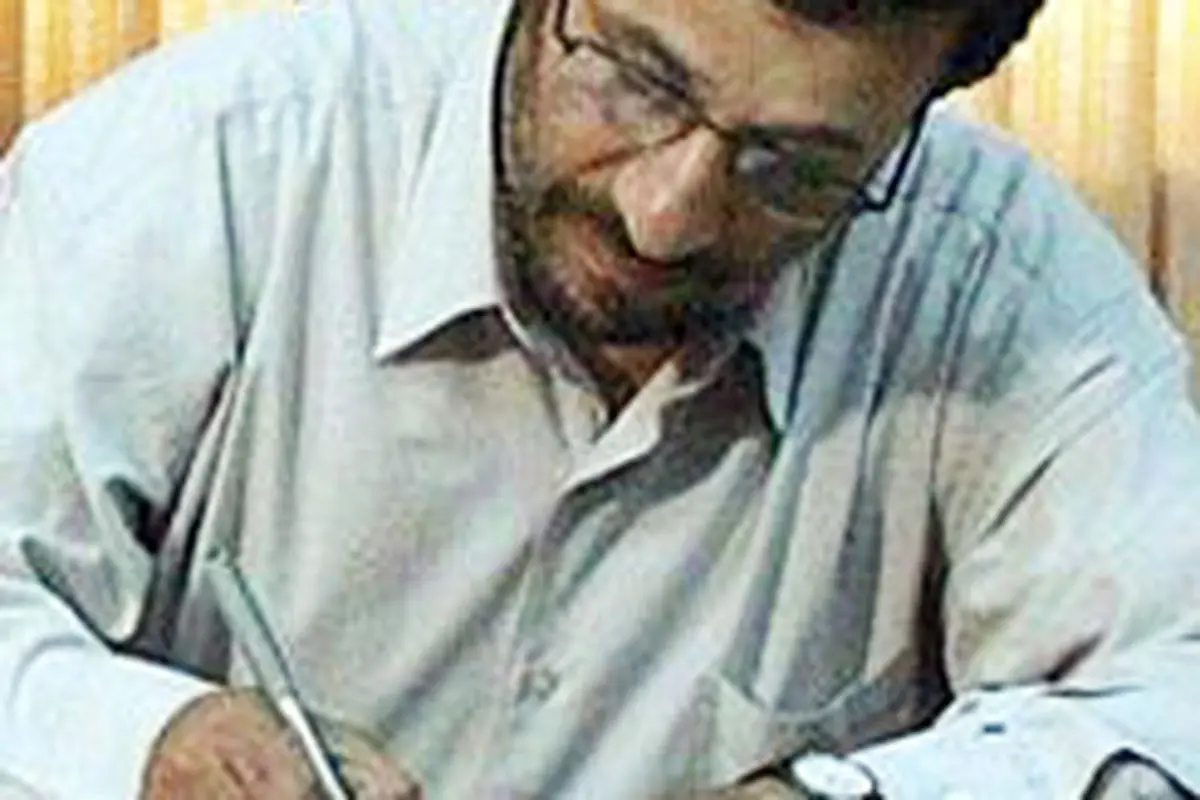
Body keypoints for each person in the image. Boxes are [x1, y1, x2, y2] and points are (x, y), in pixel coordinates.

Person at [0, 0, 1198, 796]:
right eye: (637, 79)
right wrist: (143, 745)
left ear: (917, 116)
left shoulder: (1002, 281)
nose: (664, 214)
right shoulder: (206, 165)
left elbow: (1172, 704)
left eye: (794, 170)